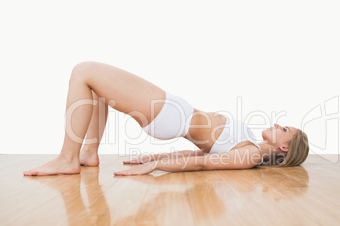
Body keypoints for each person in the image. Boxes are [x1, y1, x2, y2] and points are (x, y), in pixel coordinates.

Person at [23, 61, 309, 176]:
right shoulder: (249, 145)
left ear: (284, 147)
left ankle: (68, 158)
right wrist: (153, 157)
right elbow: (198, 151)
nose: (276, 124)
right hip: (173, 112)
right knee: (96, 88)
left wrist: (157, 166)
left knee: (83, 71)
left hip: (170, 115)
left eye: (284, 128)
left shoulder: (249, 156)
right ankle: (87, 153)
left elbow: (202, 163)